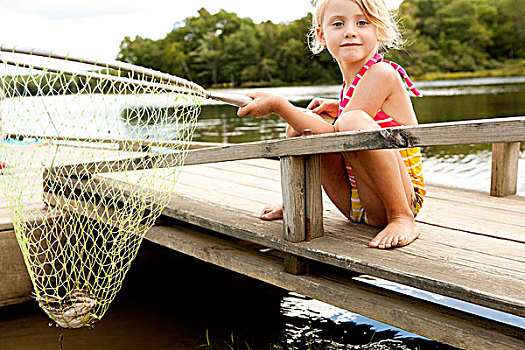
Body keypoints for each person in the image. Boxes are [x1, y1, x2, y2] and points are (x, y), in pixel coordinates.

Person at [237, 0, 425, 249]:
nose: (349, 30)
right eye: (338, 23)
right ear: (322, 35)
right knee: (301, 128)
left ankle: (402, 218)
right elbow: (338, 131)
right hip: (356, 200)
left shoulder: (382, 73)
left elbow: (343, 130)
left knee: (348, 120)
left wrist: (282, 107)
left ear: (379, 31)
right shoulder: (352, 83)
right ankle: (300, 199)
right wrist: (332, 109)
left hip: (401, 196)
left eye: (362, 22)